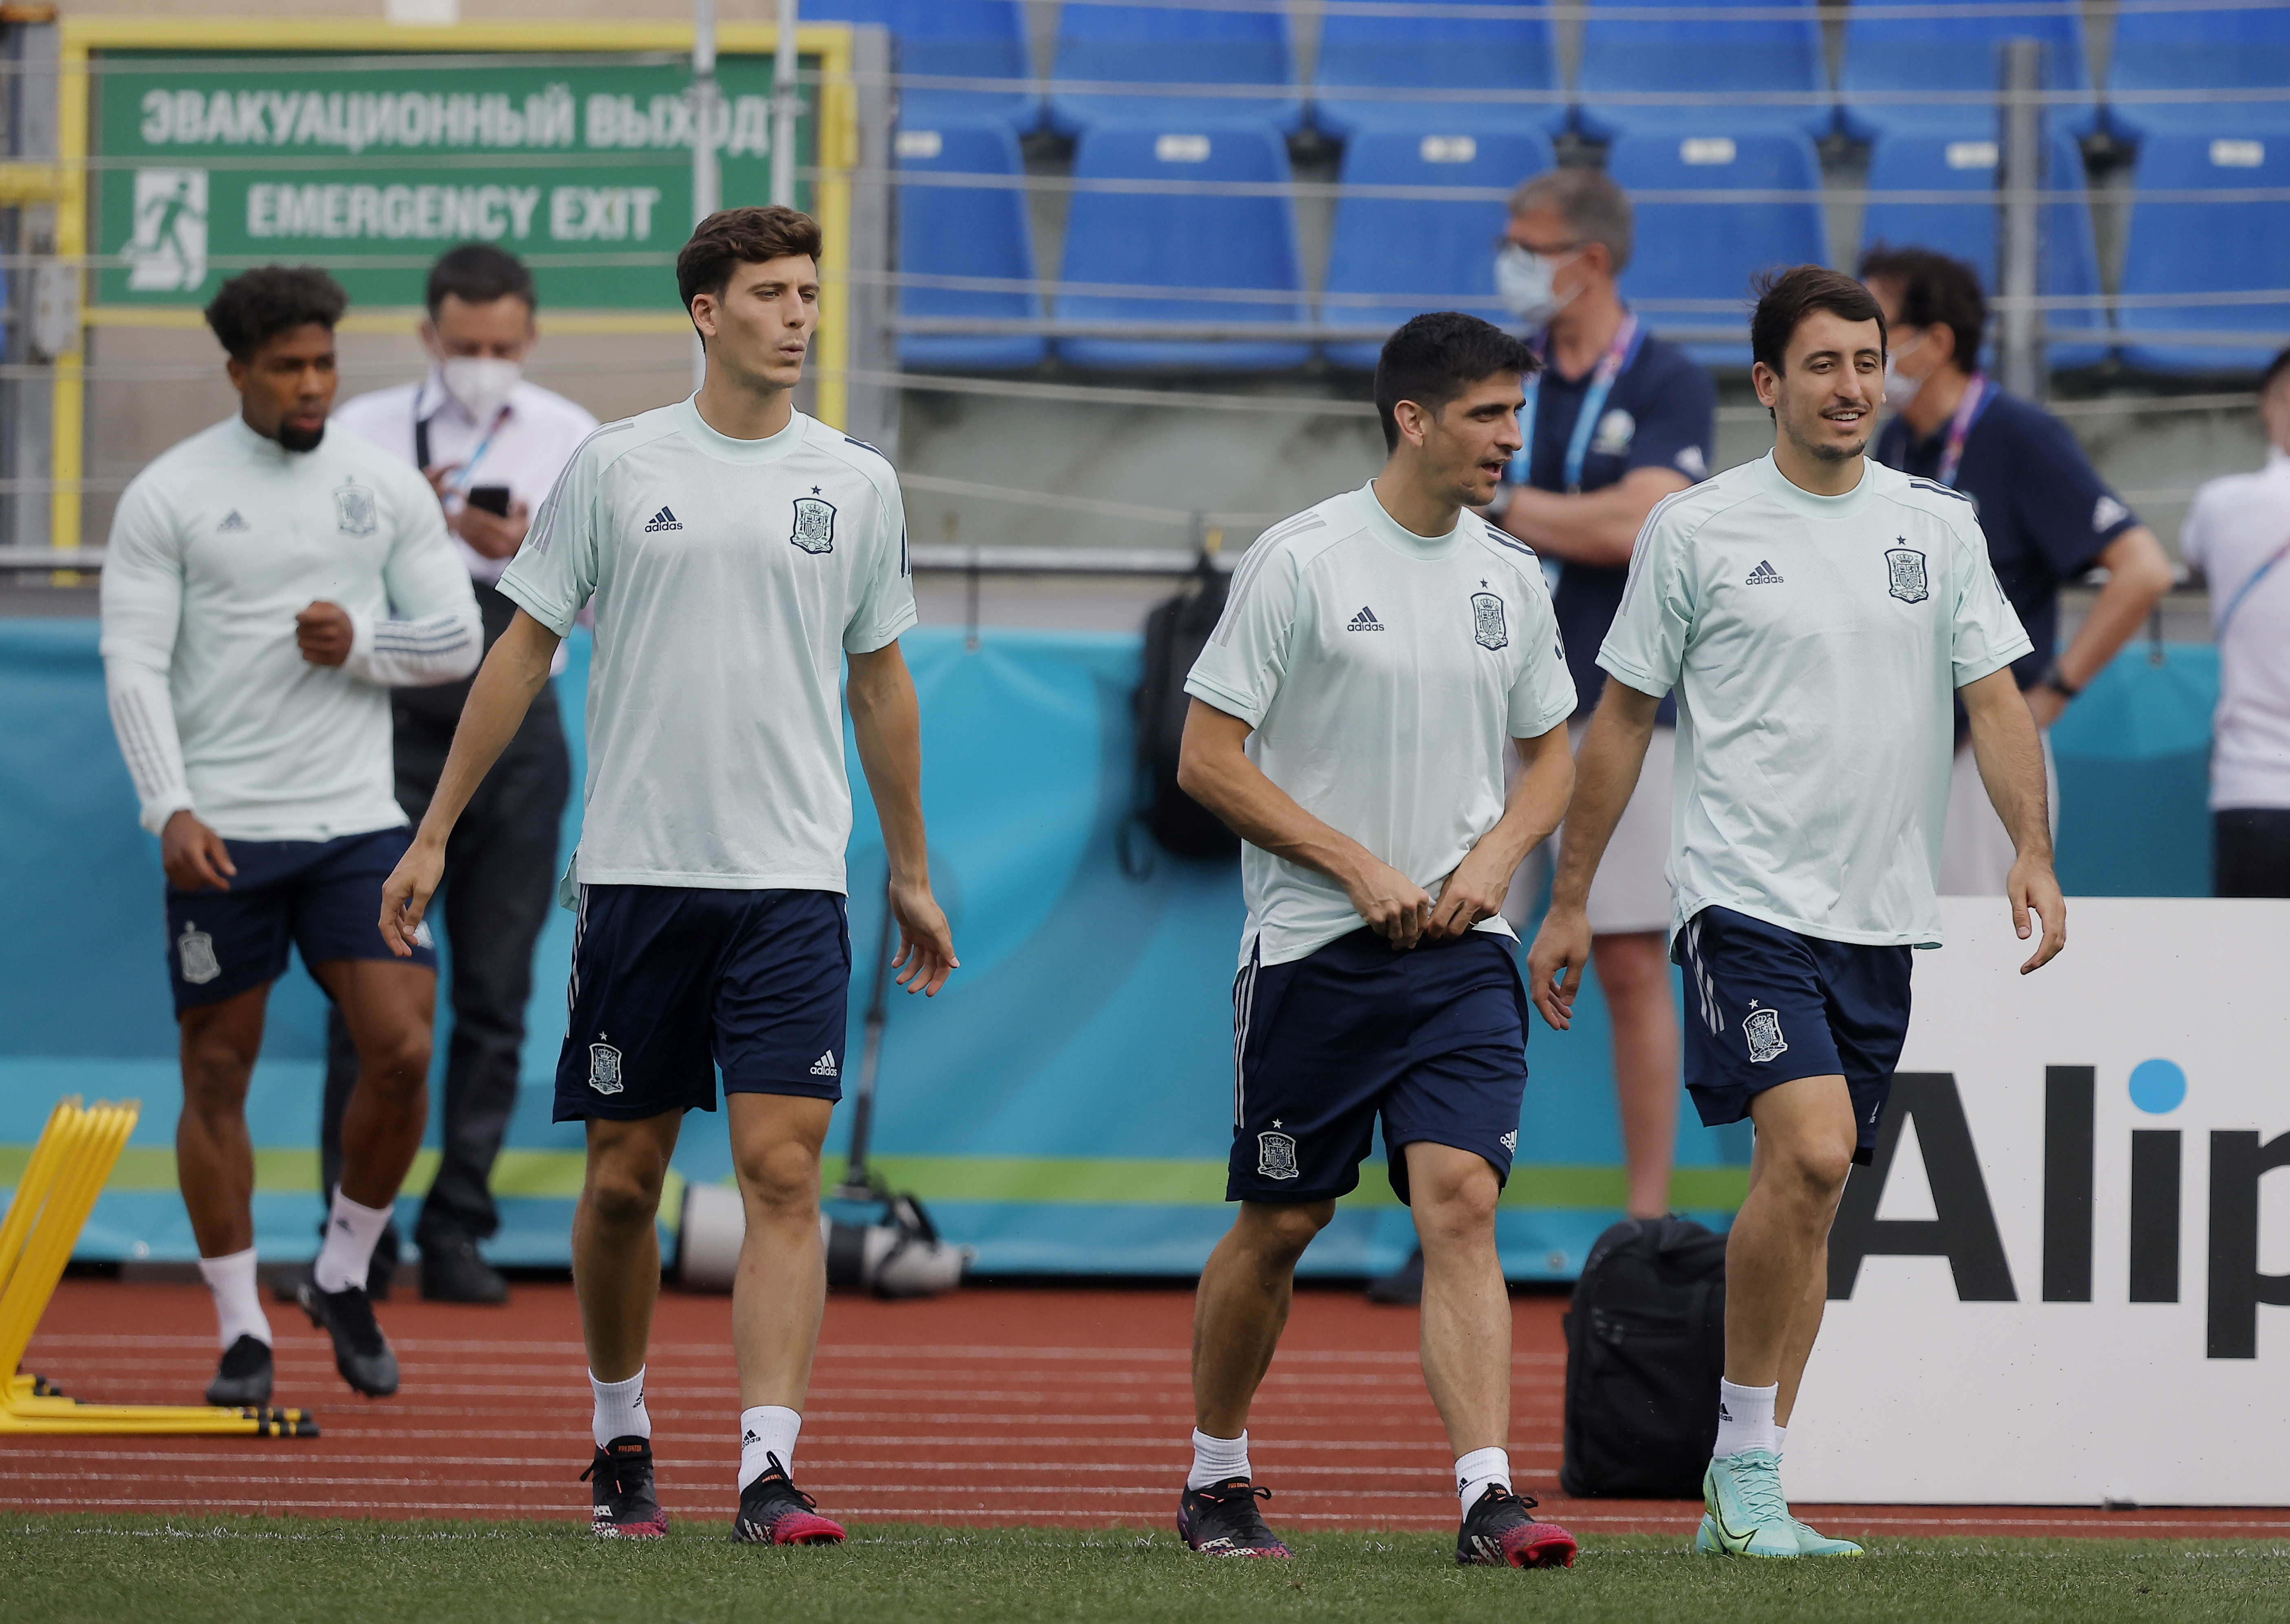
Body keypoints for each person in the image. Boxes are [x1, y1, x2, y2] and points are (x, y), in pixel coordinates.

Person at [376, 205, 957, 1544]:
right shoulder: (614, 464)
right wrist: (434, 830)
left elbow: (880, 682)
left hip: (793, 885)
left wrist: (909, 867)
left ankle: (766, 1467)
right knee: (625, 1183)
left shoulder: (854, 480)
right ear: (706, 312)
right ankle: (618, 1430)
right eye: (770, 292)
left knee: (782, 1175)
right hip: (638, 876)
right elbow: (519, 654)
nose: (798, 313)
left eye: (810, 290)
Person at [1528, 267, 2065, 1560]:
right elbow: (1622, 722)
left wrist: (2030, 848)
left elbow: (1995, 702)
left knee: (1807, 1192)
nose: (1852, 387)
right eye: (1822, 364)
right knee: (1814, 1151)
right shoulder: (1697, 528)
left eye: (1868, 363)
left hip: (1879, 917)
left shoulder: (1937, 527)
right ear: (1766, 383)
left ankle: (1744, 1476)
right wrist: (1570, 896)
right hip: (1740, 901)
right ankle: (1749, 1471)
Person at [1174, 312, 1582, 1569]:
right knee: (1281, 1227)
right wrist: (1354, 864)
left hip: (1464, 953)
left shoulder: (1511, 575)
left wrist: (1498, 861)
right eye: (1488, 416)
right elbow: (1203, 759)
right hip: (1310, 950)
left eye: (1517, 414)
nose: (1512, 438)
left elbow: (1552, 757)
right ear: (1413, 419)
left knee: (1460, 1202)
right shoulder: (1299, 561)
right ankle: (1216, 1474)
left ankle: (1486, 1496)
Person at [97, 267, 482, 1407]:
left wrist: (362, 640)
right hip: (223, 831)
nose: (313, 385)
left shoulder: (381, 487)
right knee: (217, 1071)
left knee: (405, 1047)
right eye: (288, 368)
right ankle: (238, 1331)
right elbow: (133, 663)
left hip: (356, 824)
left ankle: (343, 1269)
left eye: (324, 363)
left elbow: (458, 637)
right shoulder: (168, 493)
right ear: (238, 373)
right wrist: (168, 802)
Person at [315, 244, 598, 1304]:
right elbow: (317, 592)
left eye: (503, 345)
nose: (484, 361)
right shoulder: (363, 435)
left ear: (529, 337)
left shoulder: (577, 440)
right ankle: (359, 1227)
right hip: (383, 727)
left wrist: (530, 547)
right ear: (429, 334)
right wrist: (419, 525)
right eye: (464, 344)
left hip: (520, 738)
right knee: (374, 991)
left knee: (495, 990)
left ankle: (460, 1225)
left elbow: (614, 607)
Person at [1487, 165, 1716, 1223]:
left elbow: (1643, 528)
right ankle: (1456, 1194)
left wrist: (1502, 497)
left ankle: (1644, 1222)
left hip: (1620, 712)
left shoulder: (1665, 378)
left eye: (1526, 243)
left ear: (1589, 262)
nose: (1511, 260)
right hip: (1490, 704)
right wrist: (1575, 513)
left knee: (1628, 957)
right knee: (1468, 944)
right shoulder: (1499, 368)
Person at [1859, 246, 2174, 894]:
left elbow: (2142, 569)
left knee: (1984, 966)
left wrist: (2051, 694)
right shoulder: (1891, 442)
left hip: (1985, 751)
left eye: (1876, 329)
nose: (1860, 349)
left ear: (1936, 341)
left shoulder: (2018, 433)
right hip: (1900, 746)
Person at [2182, 345, 2290, 896]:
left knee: (2258, 980)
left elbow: (2190, 557)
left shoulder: (2220, 504)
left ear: (2267, 408)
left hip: (2254, 791)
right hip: (2253, 784)